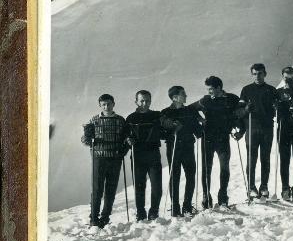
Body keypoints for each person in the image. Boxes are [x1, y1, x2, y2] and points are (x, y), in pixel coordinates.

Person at [193, 76, 243, 208]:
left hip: (223, 138)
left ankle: (223, 196)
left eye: (210, 89)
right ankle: (206, 196)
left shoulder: (231, 99)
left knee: (224, 167)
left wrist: (241, 131)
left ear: (219, 88)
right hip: (207, 138)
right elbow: (191, 109)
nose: (209, 92)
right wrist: (200, 119)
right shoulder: (205, 100)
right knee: (206, 168)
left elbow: (241, 114)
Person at [81, 94, 129, 228]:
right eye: (103, 104)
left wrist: (125, 148)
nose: (106, 106)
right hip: (99, 158)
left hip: (115, 158)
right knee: (97, 189)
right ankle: (94, 218)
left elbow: (126, 138)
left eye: (108, 104)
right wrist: (87, 137)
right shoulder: (94, 120)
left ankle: (105, 217)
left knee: (111, 189)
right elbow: (85, 140)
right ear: (100, 106)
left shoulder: (120, 120)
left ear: (113, 104)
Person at [160, 86, 204, 213]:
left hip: (188, 146)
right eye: (183, 94)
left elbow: (197, 130)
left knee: (191, 175)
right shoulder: (166, 112)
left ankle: (187, 205)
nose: (186, 96)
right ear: (174, 98)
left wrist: (202, 127)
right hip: (174, 147)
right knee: (175, 176)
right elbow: (163, 128)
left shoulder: (190, 111)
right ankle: (175, 207)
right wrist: (172, 126)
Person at [239, 63, 278, 198]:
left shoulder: (271, 90)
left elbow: (277, 107)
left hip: (267, 128)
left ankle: (264, 186)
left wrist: (276, 107)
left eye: (260, 73)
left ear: (265, 74)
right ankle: (251, 187)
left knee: (265, 158)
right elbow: (240, 110)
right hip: (252, 127)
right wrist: (245, 109)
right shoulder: (246, 90)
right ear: (252, 74)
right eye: (255, 74)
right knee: (252, 158)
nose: (257, 76)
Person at [126, 90, 164, 221]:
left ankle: (154, 212)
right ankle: (140, 213)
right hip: (137, 155)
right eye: (142, 100)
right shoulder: (131, 118)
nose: (145, 103)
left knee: (157, 186)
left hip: (153, 153)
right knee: (139, 186)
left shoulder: (157, 115)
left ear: (151, 101)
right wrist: (128, 140)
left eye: (147, 100)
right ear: (136, 101)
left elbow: (164, 131)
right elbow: (126, 136)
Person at [275, 66, 293, 198]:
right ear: (283, 77)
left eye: (291, 77)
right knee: (284, 159)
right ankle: (285, 187)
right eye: (286, 77)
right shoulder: (278, 92)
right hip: (283, 128)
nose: (288, 80)